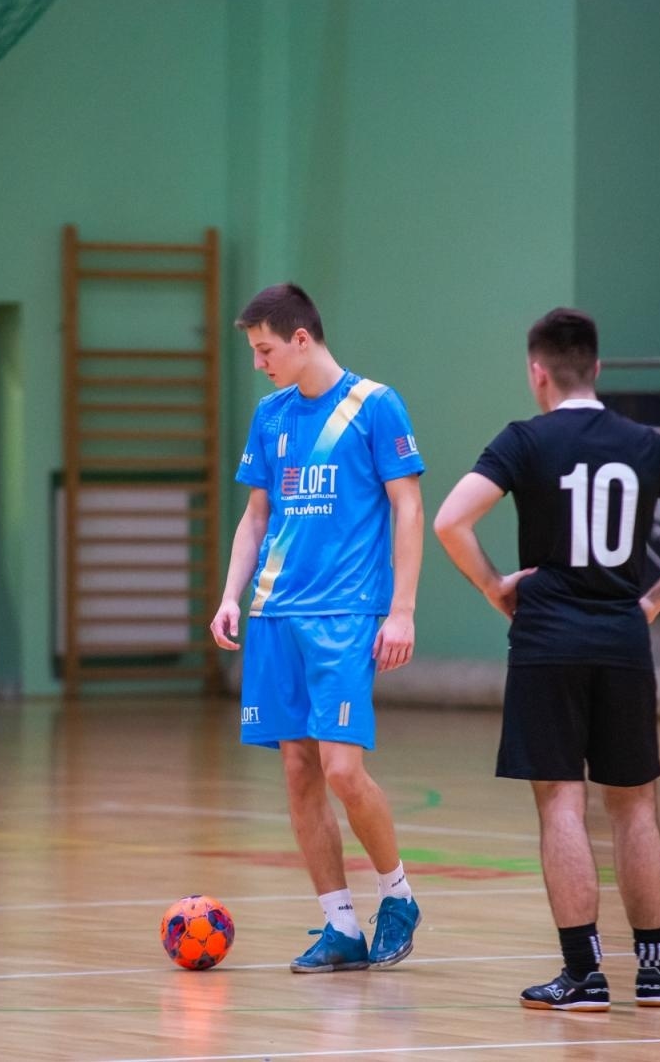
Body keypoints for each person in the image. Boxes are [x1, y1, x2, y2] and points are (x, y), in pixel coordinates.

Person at [433, 307, 660, 1011]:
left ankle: (583, 975)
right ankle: (658, 971)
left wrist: (494, 588)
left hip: (547, 640)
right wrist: (654, 602)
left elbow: (452, 519)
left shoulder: (524, 440)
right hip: (622, 641)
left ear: (536, 372)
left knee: (561, 806)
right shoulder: (645, 443)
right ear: (596, 368)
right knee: (634, 807)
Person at [210, 282, 426, 972]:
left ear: (301, 339)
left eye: (265, 349)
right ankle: (339, 924)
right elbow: (255, 518)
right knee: (299, 770)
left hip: (345, 615)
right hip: (275, 615)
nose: (259, 362)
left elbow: (410, 508)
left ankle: (398, 895)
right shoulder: (271, 416)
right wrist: (229, 595)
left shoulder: (373, 406)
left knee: (341, 770)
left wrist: (402, 610)